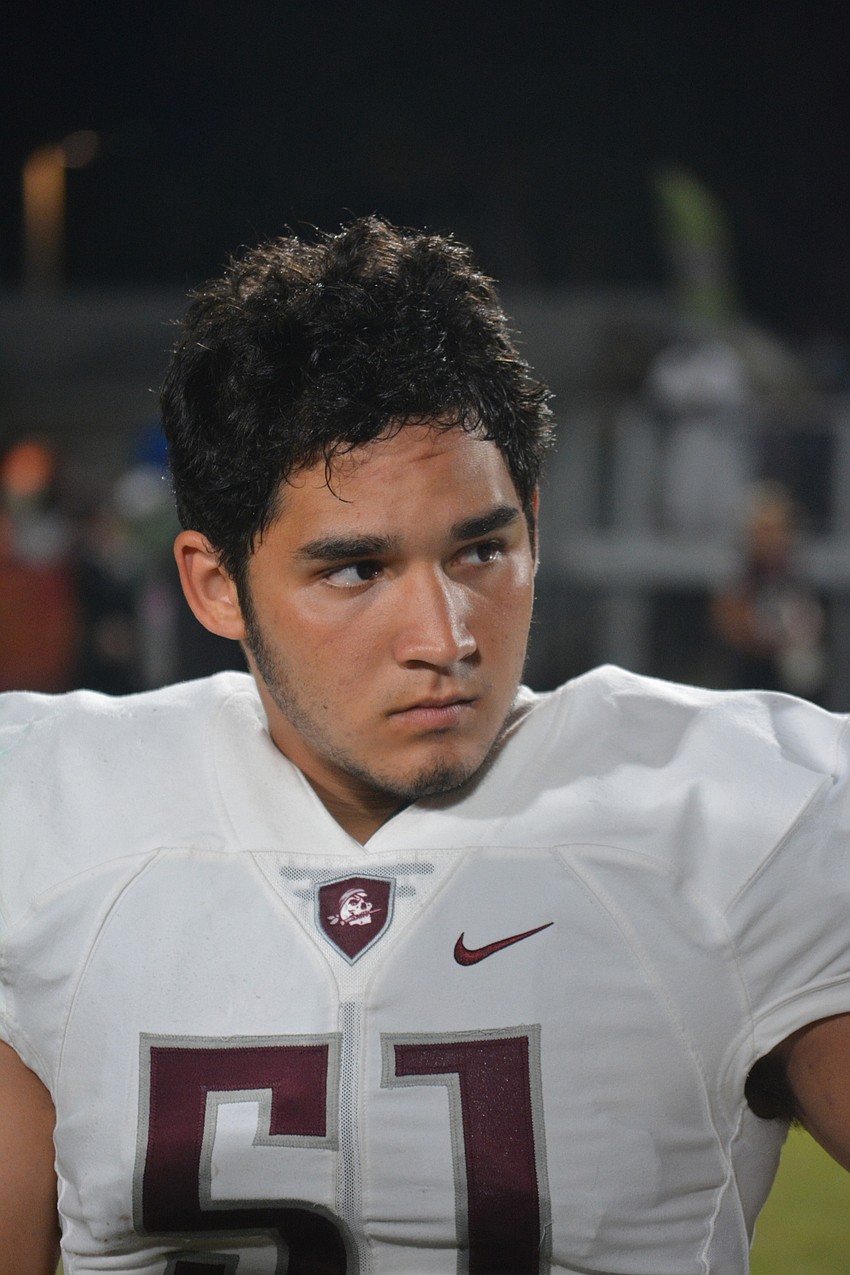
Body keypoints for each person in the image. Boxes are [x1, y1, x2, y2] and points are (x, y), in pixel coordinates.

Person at [1, 217, 850, 1275]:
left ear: (532, 527)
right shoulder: (43, 815)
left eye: (482, 549)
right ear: (214, 584)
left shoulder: (737, 813)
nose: (444, 637)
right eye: (355, 571)